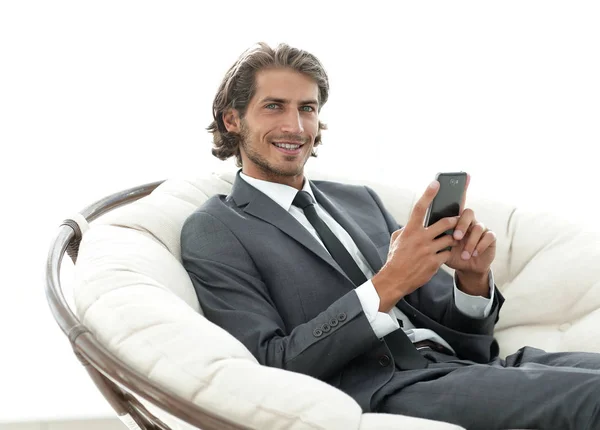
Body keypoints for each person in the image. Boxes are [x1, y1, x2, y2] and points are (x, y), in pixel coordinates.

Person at [180, 42, 600, 430]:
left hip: (466, 368)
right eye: (274, 106)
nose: (295, 126)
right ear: (232, 120)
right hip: (386, 386)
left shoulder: (359, 200)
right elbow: (271, 363)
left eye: (307, 108)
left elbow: (463, 341)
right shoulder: (216, 229)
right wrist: (389, 283)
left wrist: (472, 282)